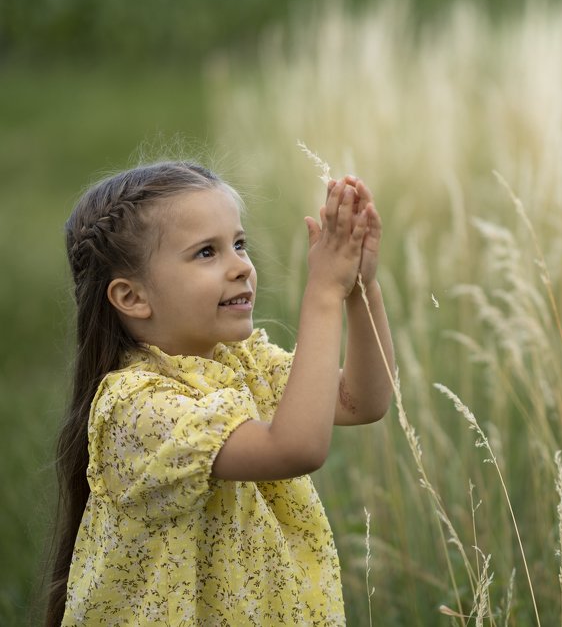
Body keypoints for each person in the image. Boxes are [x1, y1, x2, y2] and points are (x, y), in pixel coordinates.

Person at [45, 161, 395, 625]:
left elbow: (361, 401)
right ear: (132, 298)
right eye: (206, 253)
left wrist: (360, 288)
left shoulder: (240, 360)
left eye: (239, 244)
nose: (241, 267)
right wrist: (324, 293)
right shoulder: (135, 406)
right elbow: (295, 449)